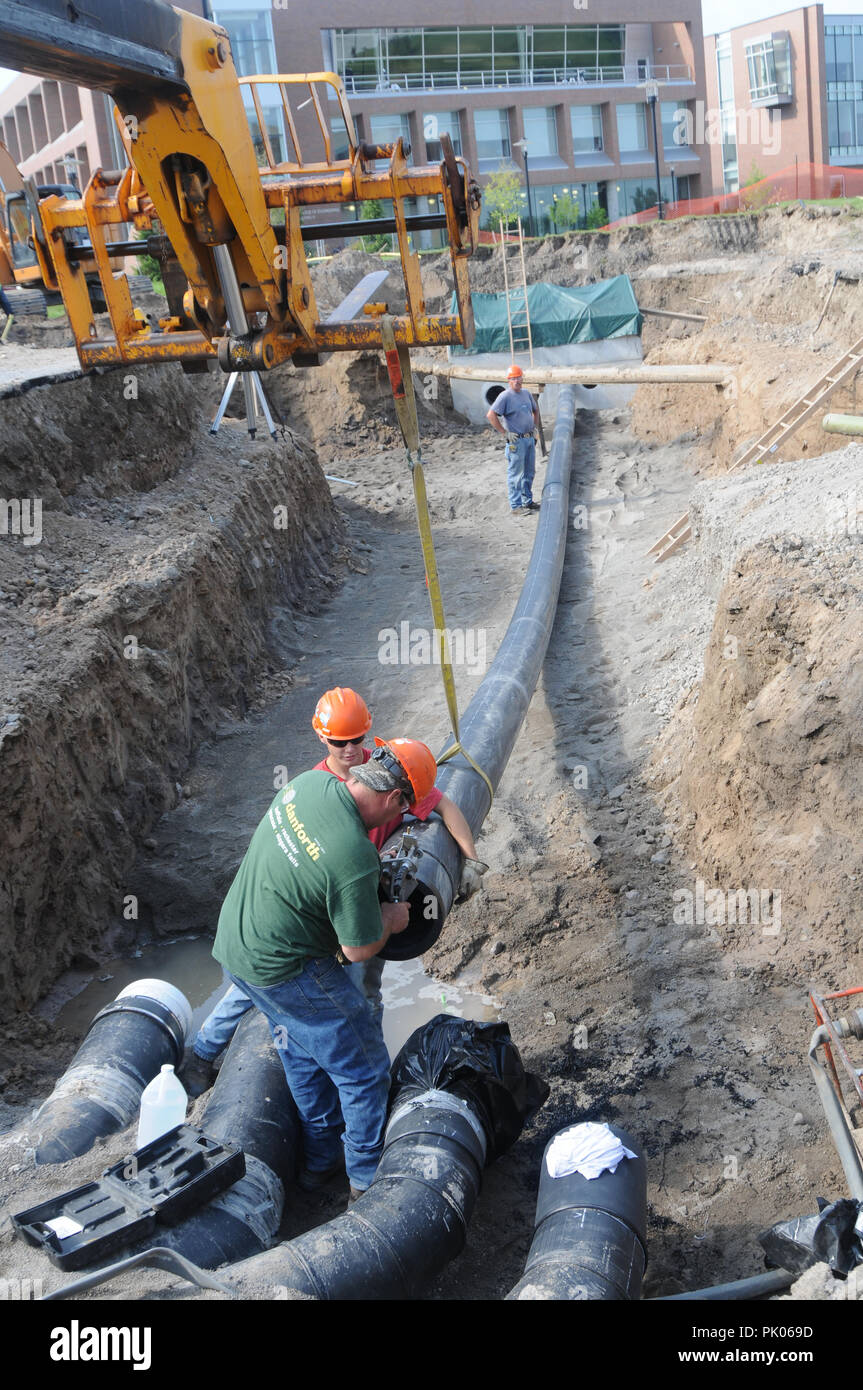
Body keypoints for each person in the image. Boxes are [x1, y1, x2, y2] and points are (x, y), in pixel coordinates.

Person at [183, 687, 487, 1093]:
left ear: (368, 737)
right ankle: (204, 1052)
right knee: (265, 982)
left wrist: (470, 859)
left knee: (365, 985)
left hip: (368, 892)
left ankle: (368, 1066)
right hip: (323, 901)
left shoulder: (386, 770)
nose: (348, 750)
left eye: (356, 740)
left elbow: (445, 806)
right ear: (321, 738)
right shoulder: (319, 784)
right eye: (338, 742)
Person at [211, 738, 437, 1200]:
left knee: (300, 1048)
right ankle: (364, 1183)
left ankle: (317, 1165)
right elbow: (357, 950)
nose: (398, 820)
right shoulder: (352, 857)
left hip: (237, 946)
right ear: (395, 799)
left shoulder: (308, 784)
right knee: (364, 1069)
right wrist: (391, 920)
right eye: (403, 811)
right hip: (284, 967)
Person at [486, 364, 540, 517]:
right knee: (516, 474)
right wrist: (505, 433)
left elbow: (535, 410)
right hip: (516, 441)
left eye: (518, 377)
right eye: (513, 378)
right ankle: (516, 506)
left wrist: (535, 428)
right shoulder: (505, 397)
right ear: (509, 381)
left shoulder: (526, 394)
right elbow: (491, 415)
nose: (517, 381)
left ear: (522, 378)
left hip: (529, 438)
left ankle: (527, 501)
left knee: (529, 472)